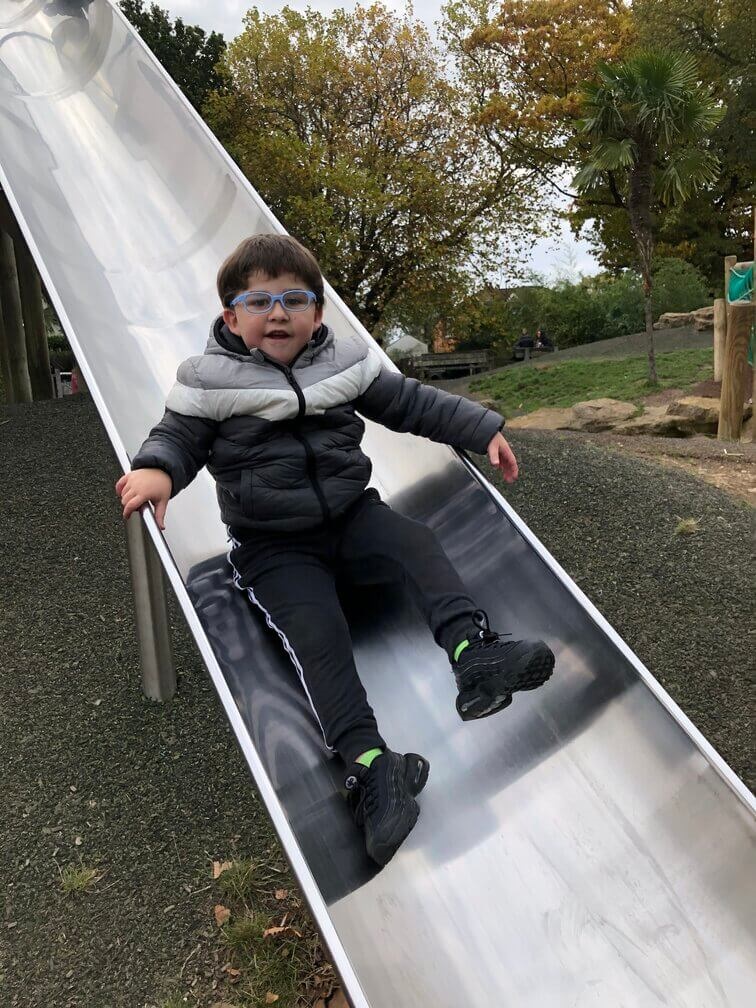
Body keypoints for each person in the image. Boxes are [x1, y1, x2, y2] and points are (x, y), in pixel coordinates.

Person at [115, 234, 556, 866]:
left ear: (319, 313)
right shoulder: (207, 381)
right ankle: (374, 768)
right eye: (259, 301)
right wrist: (157, 471)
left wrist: (480, 428)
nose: (278, 313)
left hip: (352, 517)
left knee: (416, 543)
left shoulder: (345, 363)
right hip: (274, 549)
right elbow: (178, 438)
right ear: (230, 316)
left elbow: (408, 403)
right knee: (317, 634)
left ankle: (473, 654)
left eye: (295, 299)